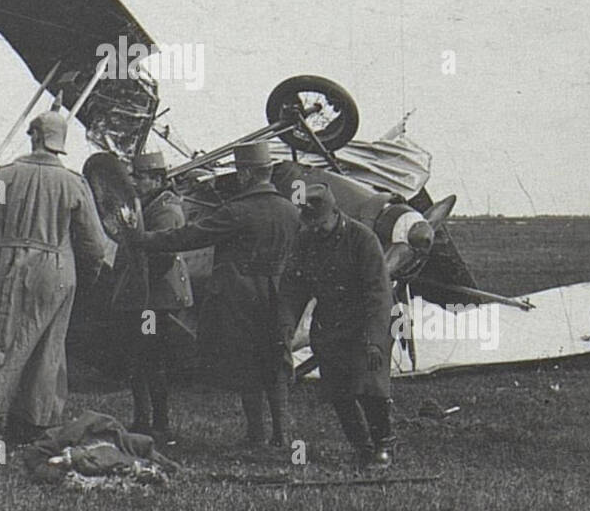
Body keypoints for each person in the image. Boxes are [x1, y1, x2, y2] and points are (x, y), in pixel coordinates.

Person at [133, 140, 301, 446]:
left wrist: (143, 240)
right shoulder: (290, 210)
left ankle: (256, 433)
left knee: (248, 362)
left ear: (247, 174)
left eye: (239, 172)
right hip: (280, 295)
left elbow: (189, 236)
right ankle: (283, 434)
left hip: (242, 295)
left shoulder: (237, 211)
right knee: (276, 358)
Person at [0, 111, 106, 443]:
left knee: (0, 340)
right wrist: (86, 275)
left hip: (8, 263)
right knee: (47, 346)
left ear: (35, 136)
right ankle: (37, 421)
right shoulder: (73, 183)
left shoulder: (4, 177)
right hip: (56, 270)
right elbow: (94, 243)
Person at [282, 183, 395, 468]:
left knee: (370, 388)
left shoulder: (363, 239)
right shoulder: (306, 241)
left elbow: (378, 294)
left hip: (366, 322)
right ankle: (362, 447)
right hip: (330, 324)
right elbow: (294, 290)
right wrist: (284, 331)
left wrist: (373, 341)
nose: (316, 229)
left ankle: (383, 445)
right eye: (310, 224)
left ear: (335, 213)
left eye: (320, 223)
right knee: (338, 392)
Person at [110, 151, 192, 442]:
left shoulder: (167, 210)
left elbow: (164, 255)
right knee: (141, 357)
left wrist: (138, 288)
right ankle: (146, 419)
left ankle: (158, 423)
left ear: (157, 179)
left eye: (140, 177)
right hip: (149, 297)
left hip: (155, 300)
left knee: (150, 358)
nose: (135, 183)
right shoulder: (151, 204)